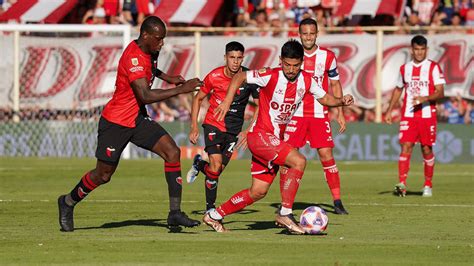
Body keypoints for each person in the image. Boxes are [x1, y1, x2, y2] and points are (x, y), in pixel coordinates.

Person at [57, 16, 202, 232]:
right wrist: (181, 89)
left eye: (163, 39)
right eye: (159, 39)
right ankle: (67, 202)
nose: (162, 43)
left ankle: (174, 213)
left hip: (136, 118)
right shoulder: (132, 57)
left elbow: (151, 69)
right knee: (103, 175)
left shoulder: (151, 49)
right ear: (145, 35)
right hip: (116, 121)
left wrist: (168, 77)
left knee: (172, 152)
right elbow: (145, 95)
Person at [202, 40, 354, 234]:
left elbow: (324, 98)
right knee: (298, 161)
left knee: (258, 191)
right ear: (280, 60)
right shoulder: (269, 75)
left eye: (295, 65)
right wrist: (227, 101)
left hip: (274, 139)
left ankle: (214, 215)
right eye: (287, 64)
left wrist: (341, 100)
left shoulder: (307, 80)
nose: (291, 69)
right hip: (260, 135)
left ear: (301, 63)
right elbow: (240, 76)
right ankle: (286, 212)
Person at [283, 18, 349, 215]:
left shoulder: (328, 56)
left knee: (326, 156)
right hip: (296, 114)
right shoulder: (293, 56)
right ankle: (286, 204)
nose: (308, 37)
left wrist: (340, 113)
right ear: (299, 34)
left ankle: (337, 202)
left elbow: (336, 84)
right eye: (305, 33)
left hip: (320, 113)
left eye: (312, 33)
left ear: (317, 33)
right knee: (288, 157)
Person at [187, 41, 260, 211]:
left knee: (216, 171)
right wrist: (194, 127)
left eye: (239, 58)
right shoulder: (214, 76)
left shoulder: (250, 78)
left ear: (243, 58)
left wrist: (249, 129)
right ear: (225, 58)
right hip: (213, 124)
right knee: (216, 163)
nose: (235, 61)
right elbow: (197, 98)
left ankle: (199, 164)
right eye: (231, 57)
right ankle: (210, 209)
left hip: (234, 130)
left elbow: (260, 105)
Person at [385, 35, 445, 198]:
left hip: (427, 115)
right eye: (416, 49)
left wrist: (424, 98)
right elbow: (398, 89)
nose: (419, 53)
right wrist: (390, 110)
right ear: (412, 50)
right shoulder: (405, 69)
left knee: (426, 149)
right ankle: (402, 184)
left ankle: (428, 185)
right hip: (408, 114)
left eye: (422, 49)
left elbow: (440, 92)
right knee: (406, 146)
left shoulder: (434, 68)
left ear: (426, 50)